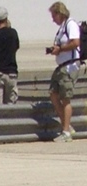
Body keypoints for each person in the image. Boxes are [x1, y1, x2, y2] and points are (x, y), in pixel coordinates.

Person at [47, 2, 80, 140]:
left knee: (65, 98)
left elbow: (75, 43)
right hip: (61, 66)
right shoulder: (62, 28)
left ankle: (66, 132)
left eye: (54, 15)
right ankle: (67, 125)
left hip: (69, 67)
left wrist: (60, 49)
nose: (52, 19)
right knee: (53, 94)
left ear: (60, 13)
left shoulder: (70, 24)